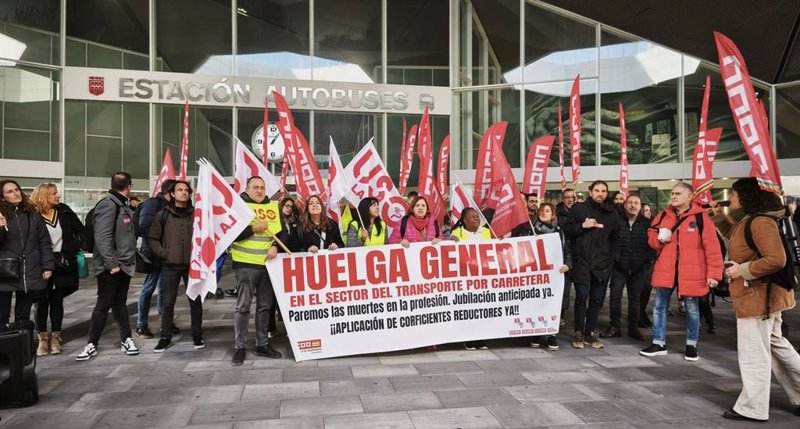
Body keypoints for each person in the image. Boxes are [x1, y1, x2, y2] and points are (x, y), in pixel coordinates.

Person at [712, 178, 800, 422]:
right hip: (762, 297)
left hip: (759, 298)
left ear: (745, 197)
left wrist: (742, 270)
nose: (731, 198)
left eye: (734, 194)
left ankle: (753, 408)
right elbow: (738, 239)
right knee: (777, 346)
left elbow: (776, 259)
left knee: (754, 354)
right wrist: (719, 217)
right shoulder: (751, 219)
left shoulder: (760, 221)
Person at [640, 182, 722, 362]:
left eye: (678, 193)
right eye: (673, 193)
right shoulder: (663, 215)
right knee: (659, 307)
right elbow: (652, 237)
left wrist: (714, 274)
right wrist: (659, 240)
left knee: (692, 309)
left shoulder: (701, 217)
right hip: (666, 269)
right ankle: (658, 342)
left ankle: (691, 344)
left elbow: (712, 247)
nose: (674, 196)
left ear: (690, 196)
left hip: (692, 272)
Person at [77, 172, 140, 361]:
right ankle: (91, 344)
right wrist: (112, 265)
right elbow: (102, 238)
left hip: (122, 265)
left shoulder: (120, 204)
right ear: (128, 186)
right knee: (104, 304)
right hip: (111, 266)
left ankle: (126, 339)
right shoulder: (109, 205)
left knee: (119, 302)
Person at [230, 176, 287, 365]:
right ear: (247, 189)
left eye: (262, 187)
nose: (260, 190)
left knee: (265, 306)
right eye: (255, 187)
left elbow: (283, 233)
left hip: (268, 265)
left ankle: (262, 343)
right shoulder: (239, 207)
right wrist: (253, 229)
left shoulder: (273, 207)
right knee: (243, 307)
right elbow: (230, 235)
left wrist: (275, 247)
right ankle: (240, 346)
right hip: (245, 264)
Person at [148, 181, 204, 352]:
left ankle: (197, 334)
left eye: (186, 190)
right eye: (179, 190)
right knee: (167, 302)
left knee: (195, 301)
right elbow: (152, 238)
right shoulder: (162, 215)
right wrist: (164, 253)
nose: (184, 193)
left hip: (192, 266)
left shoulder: (197, 215)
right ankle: (165, 336)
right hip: (169, 266)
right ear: (172, 194)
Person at [563, 180, 620, 350]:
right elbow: (566, 230)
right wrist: (582, 226)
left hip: (603, 264)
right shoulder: (579, 209)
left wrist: (613, 258)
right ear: (590, 191)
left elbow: (617, 237)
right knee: (581, 297)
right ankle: (579, 332)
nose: (600, 194)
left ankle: (589, 333)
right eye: (597, 190)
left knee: (596, 300)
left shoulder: (612, 213)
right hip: (582, 261)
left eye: (603, 191)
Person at [30, 183, 85, 355]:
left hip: (62, 264)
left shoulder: (64, 211)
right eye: (54, 193)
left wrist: (71, 249)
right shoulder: (32, 214)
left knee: (57, 300)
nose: (58, 196)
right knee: (41, 301)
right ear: (43, 196)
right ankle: (42, 338)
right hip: (40, 265)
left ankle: (56, 336)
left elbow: (81, 231)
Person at [516, 203, 571, 351]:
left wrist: (567, 264)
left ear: (553, 215)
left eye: (547, 211)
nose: (544, 213)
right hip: (535, 275)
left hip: (553, 275)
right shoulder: (530, 231)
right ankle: (535, 334)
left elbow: (566, 251)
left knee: (552, 303)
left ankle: (551, 335)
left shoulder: (559, 232)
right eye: (542, 210)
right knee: (535, 303)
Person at [0, 180, 54, 328]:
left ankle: (22, 342)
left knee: (23, 315)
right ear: (2, 197)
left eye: (16, 189)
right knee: (2, 315)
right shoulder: (1, 215)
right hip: (4, 271)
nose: (15, 193)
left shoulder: (33, 214)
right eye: (9, 192)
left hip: (29, 269)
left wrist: (47, 266)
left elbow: (44, 241)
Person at [602, 194, 652, 341]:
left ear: (640, 206)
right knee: (615, 297)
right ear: (625, 205)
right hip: (619, 266)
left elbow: (652, 246)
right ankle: (615, 327)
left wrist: (646, 261)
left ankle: (633, 328)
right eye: (630, 202)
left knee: (635, 299)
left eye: (636, 203)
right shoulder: (617, 221)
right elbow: (609, 240)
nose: (633, 205)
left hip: (639, 268)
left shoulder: (647, 223)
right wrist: (614, 258)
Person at [135, 179, 174, 339]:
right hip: (154, 254)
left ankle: (165, 322)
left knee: (163, 288)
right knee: (149, 288)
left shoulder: (169, 205)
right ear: (170, 192)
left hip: (166, 253)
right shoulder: (153, 203)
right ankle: (141, 325)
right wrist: (159, 246)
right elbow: (144, 226)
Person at [450, 207, 493, 350]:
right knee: (468, 309)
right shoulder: (457, 233)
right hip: (465, 279)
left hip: (483, 278)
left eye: (477, 216)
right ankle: (468, 337)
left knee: (482, 309)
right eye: (472, 216)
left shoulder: (487, 232)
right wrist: (451, 241)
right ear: (464, 220)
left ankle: (480, 337)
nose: (476, 218)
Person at [267, 197, 302, 339]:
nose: (288, 208)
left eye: (291, 206)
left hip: (289, 263)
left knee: (288, 296)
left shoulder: (294, 222)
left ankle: (289, 327)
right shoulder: (274, 220)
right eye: (286, 205)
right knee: (271, 297)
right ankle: (270, 328)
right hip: (274, 261)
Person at [556, 188, 577, 325]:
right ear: (562, 199)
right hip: (563, 255)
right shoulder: (557, 215)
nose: (570, 200)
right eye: (567, 197)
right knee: (563, 287)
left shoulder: (580, 212)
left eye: (572, 197)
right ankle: (560, 315)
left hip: (578, 254)